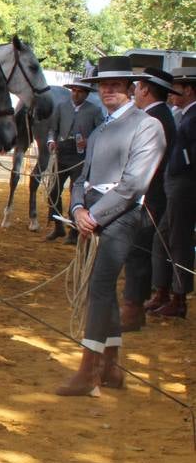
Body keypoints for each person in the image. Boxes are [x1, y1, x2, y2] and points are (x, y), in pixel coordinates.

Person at [58, 57, 165, 395]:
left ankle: (89, 372)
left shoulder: (147, 126)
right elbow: (81, 177)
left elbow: (134, 184)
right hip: (92, 217)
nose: (108, 90)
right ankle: (112, 366)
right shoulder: (101, 127)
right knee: (99, 287)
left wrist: (95, 215)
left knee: (99, 288)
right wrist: (76, 207)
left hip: (123, 216)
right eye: (103, 85)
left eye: (116, 85)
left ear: (131, 89)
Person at [120, 67, 177, 332]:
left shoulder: (154, 119)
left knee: (137, 251)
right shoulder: (160, 115)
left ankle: (132, 309)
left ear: (144, 89)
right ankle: (134, 304)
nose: (135, 92)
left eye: (138, 87)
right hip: (151, 194)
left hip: (149, 195)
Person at [146, 66, 196, 319]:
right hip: (176, 184)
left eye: (177, 87)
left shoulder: (194, 116)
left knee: (179, 242)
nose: (172, 92)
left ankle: (179, 298)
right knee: (163, 239)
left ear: (188, 89)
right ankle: (163, 292)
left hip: (185, 186)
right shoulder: (184, 115)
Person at [45, 80, 104, 243]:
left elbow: (101, 132)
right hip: (62, 152)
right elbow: (53, 129)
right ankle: (58, 226)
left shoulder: (94, 110)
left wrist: (88, 141)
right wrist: (51, 141)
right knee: (53, 191)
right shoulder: (62, 107)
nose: (76, 94)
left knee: (75, 193)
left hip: (80, 157)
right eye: (74, 91)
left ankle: (73, 231)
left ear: (86, 94)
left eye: (80, 92)